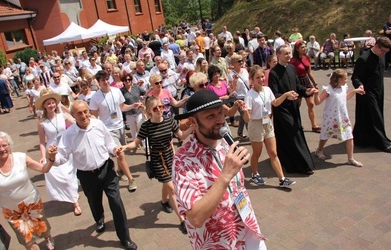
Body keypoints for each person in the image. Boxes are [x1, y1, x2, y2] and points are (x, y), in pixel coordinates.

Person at [172, 90, 267, 249]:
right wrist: (225, 176)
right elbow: (196, 218)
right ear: (193, 122)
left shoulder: (224, 140)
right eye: (210, 116)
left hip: (248, 230)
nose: (220, 120)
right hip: (219, 243)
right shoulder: (182, 161)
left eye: (220, 113)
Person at [47, 100, 137, 250]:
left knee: (116, 203)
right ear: (73, 115)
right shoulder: (69, 135)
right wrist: (52, 156)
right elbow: (61, 158)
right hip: (87, 175)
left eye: (86, 111)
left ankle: (125, 238)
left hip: (106, 169)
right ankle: (99, 219)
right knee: (94, 202)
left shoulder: (98, 124)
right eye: (79, 113)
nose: (84, 115)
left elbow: (109, 143)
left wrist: (115, 149)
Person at [123, 96, 194, 234]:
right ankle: (182, 220)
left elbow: (182, 136)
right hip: (157, 160)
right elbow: (136, 143)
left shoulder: (170, 122)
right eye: (155, 108)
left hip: (170, 156)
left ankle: (163, 201)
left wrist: (192, 127)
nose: (159, 110)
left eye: (161, 107)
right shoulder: (146, 126)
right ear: (149, 111)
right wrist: (125, 147)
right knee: (171, 188)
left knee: (166, 183)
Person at [0, 132, 56, 250]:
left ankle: (48, 237)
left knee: (42, 226)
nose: (2, 149)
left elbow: (44, 169)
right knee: (27, 241)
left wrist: (50, 159)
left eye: (4, 145)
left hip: (32, 204)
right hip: (12, 212)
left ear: (9, 145)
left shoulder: (21, 157)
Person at [243, 65, 297, 186]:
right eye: (258, 77)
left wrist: (286, 94)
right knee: (257, 153)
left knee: (273, 152)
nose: (261, 79)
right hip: (256, 125)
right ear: (252, 79)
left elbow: (276, 103)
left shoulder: (267, 90)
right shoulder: (250, 95)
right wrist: (245, 112)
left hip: (267, 123)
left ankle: (282, 179)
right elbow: (247, 119)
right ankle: (254, 173)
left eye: (262, 76)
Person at [269, 45, 317, 174]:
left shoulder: (291, 68)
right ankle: (302, 164)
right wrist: (286, 96)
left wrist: (307, 91)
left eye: (290, 53)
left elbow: (297, 86)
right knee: (292, 134)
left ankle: (294, 163)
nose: (289, 56)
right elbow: (274, 95)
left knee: (294, 133)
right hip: (282, 110)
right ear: (278, 55)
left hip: (294, 108)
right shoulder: (274, 73)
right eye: (285, 54)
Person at [89, 70, 139, 191]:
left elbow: (122, 107)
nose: (105, 82)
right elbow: (94, 116)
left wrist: (133, 106)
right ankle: (131, 179)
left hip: (120, 126)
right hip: (108, 129)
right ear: (98, 82)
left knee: (120, 153)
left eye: (107, 79)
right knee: (120, 153)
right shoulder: (95, 97)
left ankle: (120, 171)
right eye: (102, 81)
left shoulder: (116, 91)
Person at [35, 89, 81, 216]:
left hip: (66, 147)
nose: (51, 105)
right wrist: (43, 156)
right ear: (44, 106)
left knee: (70, 175)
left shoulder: (63, 116)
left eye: (53, 102)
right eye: (48, 103)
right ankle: (73, 200)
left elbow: (78, 125)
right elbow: (41, 142)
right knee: (62, 176)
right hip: (53, 151)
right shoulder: (42, 123)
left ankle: (74, 199)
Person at [314, 69, 365, 166]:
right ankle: (319, 150)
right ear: (339, 79)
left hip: (343, 117)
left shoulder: (343, 87)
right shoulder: (328, 89)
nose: (346, 80)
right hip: (331, 118)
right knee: (325, 135)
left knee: (349, 136)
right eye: (345, 78)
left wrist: (354, 91)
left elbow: (344, 98)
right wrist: (316, 94)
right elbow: (317, 102)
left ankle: (350, 158)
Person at [351, 36, 391, 152]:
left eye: (386, 52)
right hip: (367, 92)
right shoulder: (364, 59)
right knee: (375, 116)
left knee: (374, 115)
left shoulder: (381, 57)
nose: (384, 54)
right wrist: (359, 85)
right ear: (376, 46)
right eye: (382, 51)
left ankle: (367, 139)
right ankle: (382, 143)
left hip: (379, 90)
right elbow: (356, 77)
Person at [290, 40, 321, 133]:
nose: (304, 49)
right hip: (297, 83)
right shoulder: (292, 61)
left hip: (306, 81)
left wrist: (314, 83)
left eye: (304, 47)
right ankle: (297, 124)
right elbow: (291, 74)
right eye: (302, 47)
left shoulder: (306, 58)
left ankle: (314, 125)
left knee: (311, 104)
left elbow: (309, 72)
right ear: (297, 49)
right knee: (297, 105)